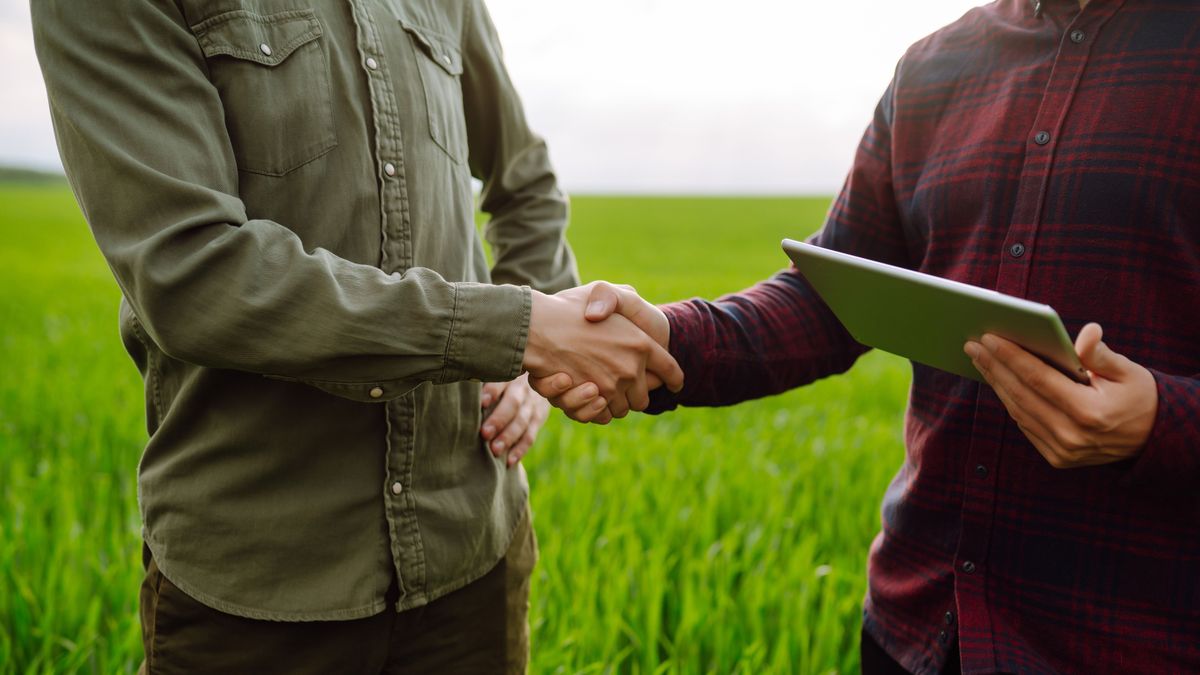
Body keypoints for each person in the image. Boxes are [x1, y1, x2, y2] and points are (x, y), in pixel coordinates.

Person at [537, 0, 1200, 672]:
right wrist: (667, 336)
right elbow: (830, 299)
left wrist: (1159, 422)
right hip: (916, 630)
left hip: (1130, 641)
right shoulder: (935, 66)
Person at [32, 0, 681, 672]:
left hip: (474, 559)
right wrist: (516, 329)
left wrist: (525, 359)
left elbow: (525, 181)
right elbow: (194, 276)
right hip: (256, 596)